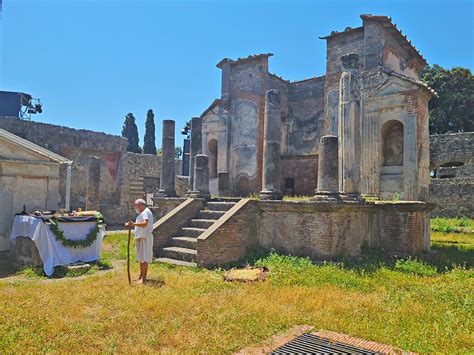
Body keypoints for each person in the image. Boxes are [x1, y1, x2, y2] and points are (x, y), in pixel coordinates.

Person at [124, 199, 154, 284]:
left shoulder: (145, 212)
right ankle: (141, 276)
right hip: (142, 237)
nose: (135, 208)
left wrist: (133, 224)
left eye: (135, 206)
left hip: (145, 237)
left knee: (144, 258)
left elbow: (145, 223)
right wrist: (132, 224)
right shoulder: (143, 213)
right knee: (141, 258)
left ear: (140, 205)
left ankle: (143, 279)